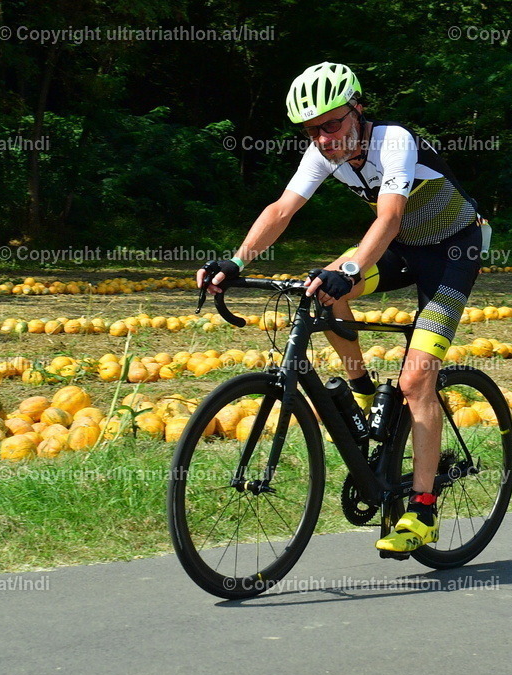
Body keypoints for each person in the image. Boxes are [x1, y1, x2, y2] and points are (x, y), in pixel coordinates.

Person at [197, 62, 487, 553]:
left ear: (358, 109)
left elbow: (390, 216)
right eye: (312, 130)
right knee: (319, 289)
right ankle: (362, 392)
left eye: (332, 123)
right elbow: (281, 210)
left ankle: (423, 509)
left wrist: (350, 270)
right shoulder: (323, 153)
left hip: (454, 250)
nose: (324, 138)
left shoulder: (392, 140)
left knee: (417, 379)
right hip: (402, 247)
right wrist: (236, 260)